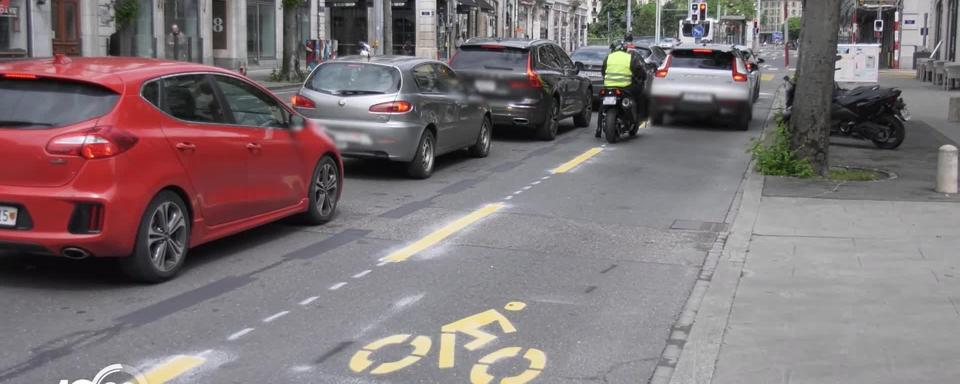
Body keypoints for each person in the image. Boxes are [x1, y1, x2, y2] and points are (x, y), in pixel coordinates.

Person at [599, 40, 647, 137]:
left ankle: (598, 129)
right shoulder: (630, 58)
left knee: (601, 105)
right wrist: (642, 78)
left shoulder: (608, 57)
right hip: (625, 87)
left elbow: (603, 72)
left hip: (608, 87)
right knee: (640, 93)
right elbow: (639, 71)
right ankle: (637, 118)